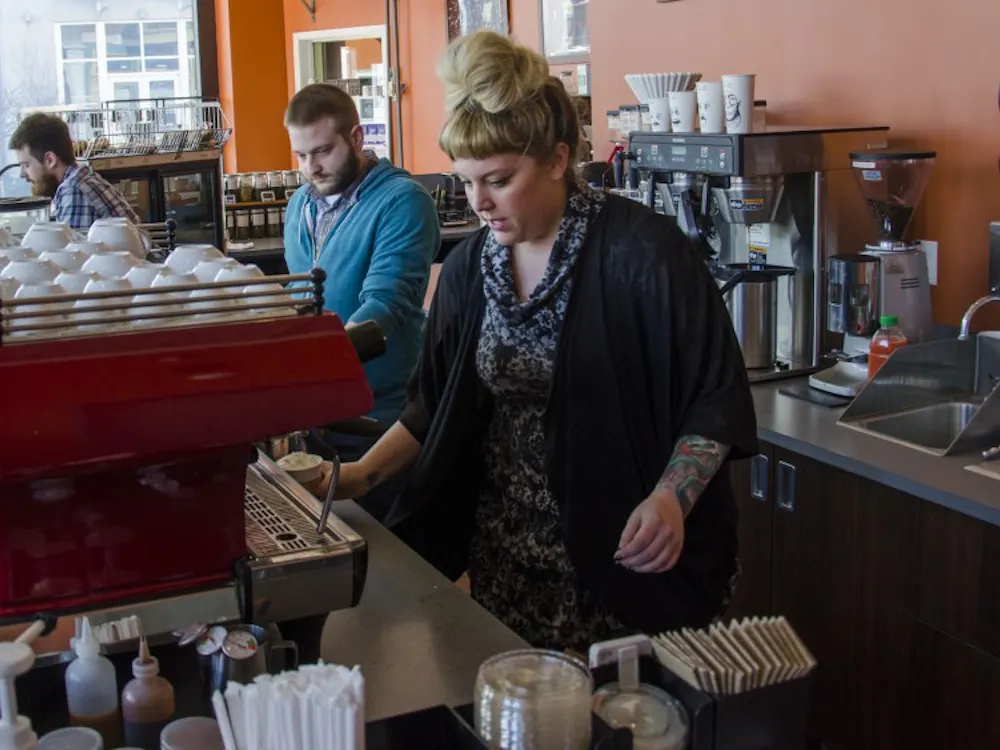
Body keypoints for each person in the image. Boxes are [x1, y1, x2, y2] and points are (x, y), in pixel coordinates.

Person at [315, 31, 758, 654]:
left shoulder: (641, 255)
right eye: (465, 182)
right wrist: (359, 477)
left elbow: (712, 399)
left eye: (498, 178)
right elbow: (430, 407)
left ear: (556, 158)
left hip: (627, 559)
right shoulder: (471, 269)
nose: (480, 203)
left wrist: (671, 498)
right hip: (508, 557)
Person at [282, 84, 440, 461]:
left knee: (374, 519)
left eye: (322, 151)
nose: (310, 168)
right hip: (316, 411)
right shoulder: (300, 204)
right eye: (300, 155)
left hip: (381, 414)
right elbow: (299, 298)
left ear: (356, 137)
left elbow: (385, 304)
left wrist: (316, 361)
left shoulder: (403, 201)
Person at [8, 113, 140, 230]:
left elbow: (73, 255)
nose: (22, 174)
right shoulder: (80, 180)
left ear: (50, 160)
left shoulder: (74, 189)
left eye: (26, 165)